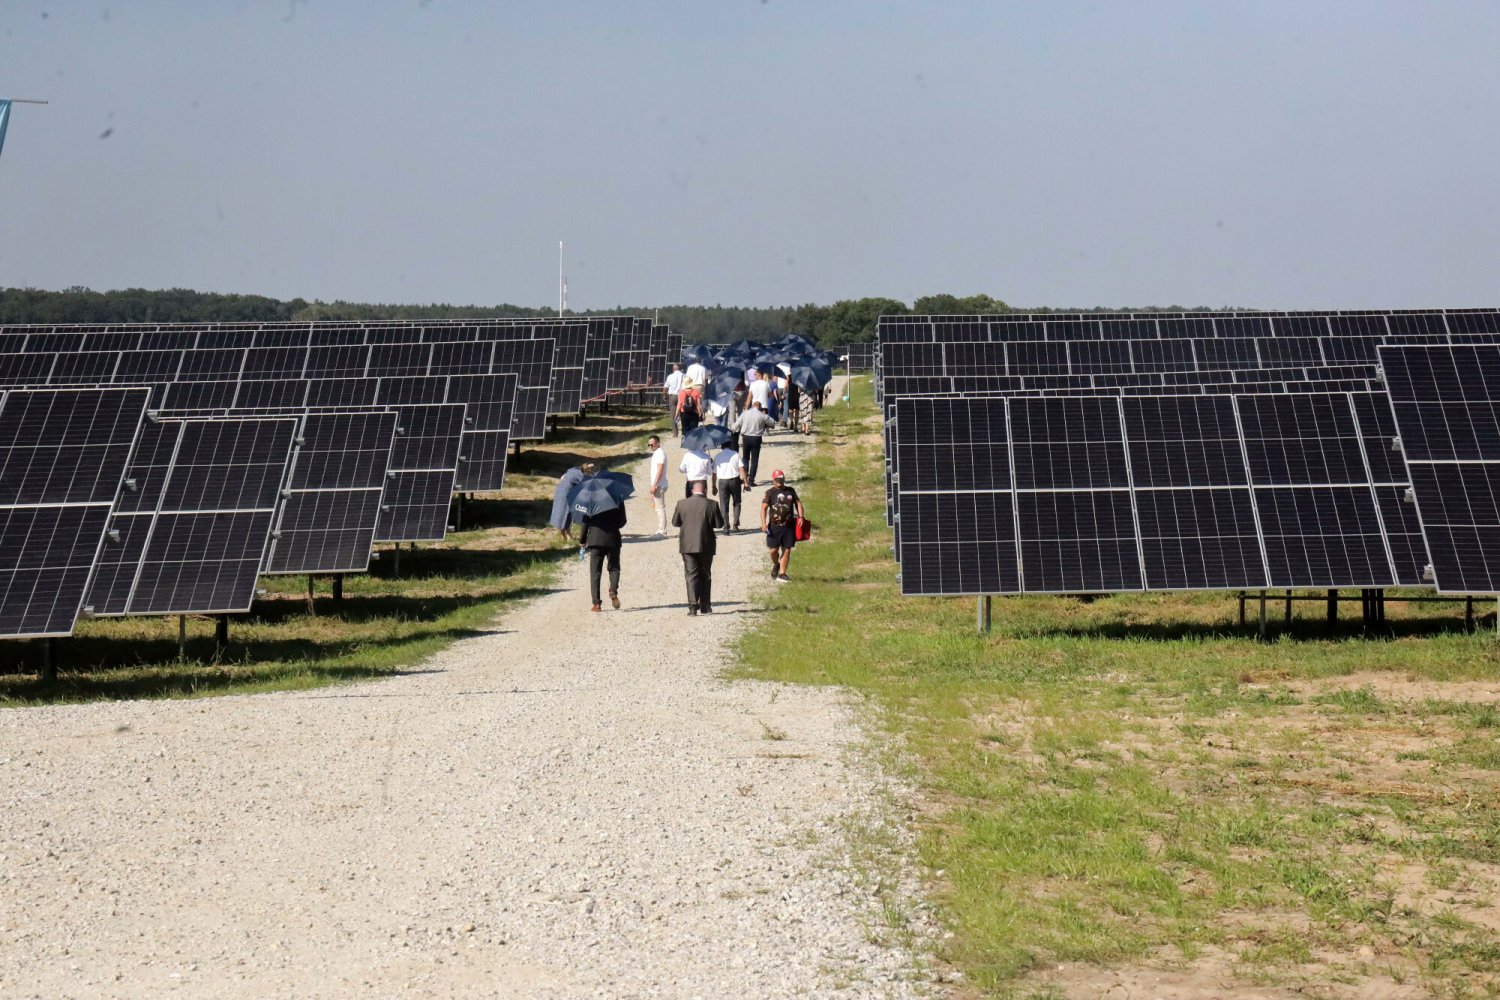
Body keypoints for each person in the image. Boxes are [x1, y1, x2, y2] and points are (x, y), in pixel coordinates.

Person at [672, 480, 724, 616]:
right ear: (705, 490)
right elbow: (719, 524)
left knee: (691, 575)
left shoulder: (681, 504)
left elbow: (675, 522)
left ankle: (692, 607)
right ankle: (706, 606)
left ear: (692, 491)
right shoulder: (712, 504)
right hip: (706, 544)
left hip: (687, 545)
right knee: (705, 574)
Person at [577, 498, 625, 612]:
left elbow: (585, 522)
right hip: (613, 538)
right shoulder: (617, 498)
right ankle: (613, 589)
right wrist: (613, 525)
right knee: (614, 567)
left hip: (596, 539)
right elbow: (622, 521)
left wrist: (582, 539)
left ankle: (597, 604)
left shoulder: (591, 498)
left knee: (595, 572)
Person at [760, 469, 805, 583]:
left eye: (780, 479)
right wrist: (764, 524)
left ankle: (782, 573)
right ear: (773, 480)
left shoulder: (790, 491)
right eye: (776, 479)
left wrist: (801, 517)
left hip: (788, 526)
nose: (778, 481)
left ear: (783, 479)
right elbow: (763, 508)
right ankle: (776, 564)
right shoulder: (770, 492)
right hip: (774, 526)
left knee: (787, 549)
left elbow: (798, 503)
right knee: (773, 551)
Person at [549, 461, 597, 542]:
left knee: (564, 514)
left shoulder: (573, 469)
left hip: (560, 490)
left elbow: (562, 477)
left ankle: (568, 535)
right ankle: (565, 537)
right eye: (591, 471)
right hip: (566, 494)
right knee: (565, 514)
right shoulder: (581, 475)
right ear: (587, 471)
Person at [712, 441, 745, 532]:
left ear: (721, 446)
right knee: (737, 502)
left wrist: (713, 486)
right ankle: (735, 524)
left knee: (724, 505)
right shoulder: (735, 454)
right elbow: (741, 468)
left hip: (722, 482)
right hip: (735, 480)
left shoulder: (717, 456)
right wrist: (745, 482)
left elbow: (714, 474)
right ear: (730, 445)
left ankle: (726, 526)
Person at [737, 402, 772, 487]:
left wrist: (734, 431)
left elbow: (737, 424)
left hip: (746, 437)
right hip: (756, 438)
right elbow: (772, 422)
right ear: (760, 407)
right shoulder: (762, 415)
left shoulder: (745, 413)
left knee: (745, 458)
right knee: (754, 460)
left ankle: (744, 477)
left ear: (753, 406)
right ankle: (751, 480)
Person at [647, 434, 669, 538]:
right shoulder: (657, 453)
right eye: (649, 445)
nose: (651, 446)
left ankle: (662, 531)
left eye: (653, 444)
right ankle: (661, 529)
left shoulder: (660, 454)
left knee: (660, 508)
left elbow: (660, 471)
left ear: (658, 443)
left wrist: (654, 485)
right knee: (658, 508)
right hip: (658, 484)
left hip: (659, 485)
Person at [664, 364, 685, 434]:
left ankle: (675, 432)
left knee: (673, 415)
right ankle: (684, 430)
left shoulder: (670, 376)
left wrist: (665, 395)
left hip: (672, 396)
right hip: (682, 396)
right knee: (683, 413)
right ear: (680, 369)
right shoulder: (685, 376)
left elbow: (665, 387)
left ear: (673, 369)